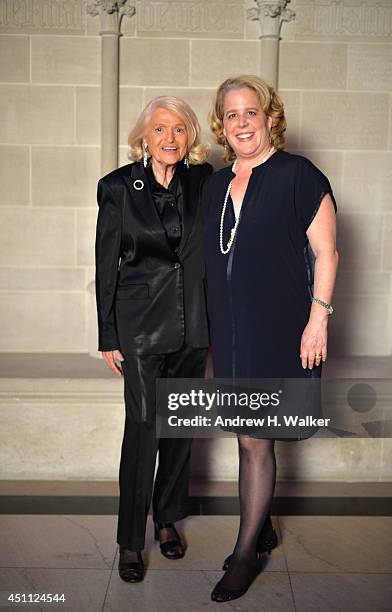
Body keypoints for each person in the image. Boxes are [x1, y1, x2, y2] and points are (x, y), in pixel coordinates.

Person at [202, 75, 338, 602]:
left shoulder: (298, 175)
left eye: (250, 113)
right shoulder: (215, 184)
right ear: (222, 123)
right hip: (232, 333)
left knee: (255, 439)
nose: (241, 123)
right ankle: (261, 527)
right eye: (231, 115)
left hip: (281, 328)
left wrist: (318, 318)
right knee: (246, 433)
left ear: (268, 116)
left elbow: (326, 252)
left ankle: (245, 554)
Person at [95, 96, 212, 583]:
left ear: (190, 139)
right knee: (143, 428)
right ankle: (129, 539)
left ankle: (166, 521)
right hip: (140, 328)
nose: (170, 138)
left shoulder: (205, 183)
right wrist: (108, 334)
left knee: (179, 430)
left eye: (180, 129)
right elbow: (106, 266)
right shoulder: (119, 188)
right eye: (160, 129)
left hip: (193, 327)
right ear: (144, 138)